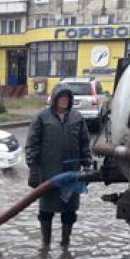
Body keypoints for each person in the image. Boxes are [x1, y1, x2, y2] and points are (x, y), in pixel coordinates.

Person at [25, 86, 92, 246]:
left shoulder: (77, 118)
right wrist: (34, 169)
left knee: (69, 211)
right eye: (61, 97)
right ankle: (45, 245)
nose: (64, 100)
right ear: (54, 99)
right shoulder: (42, 118)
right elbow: (32, 145)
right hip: (48, 174)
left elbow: (84, 143)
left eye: (67, 98)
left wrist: (87, 166)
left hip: (71, 174)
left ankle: (65, 245)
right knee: (46, 211)